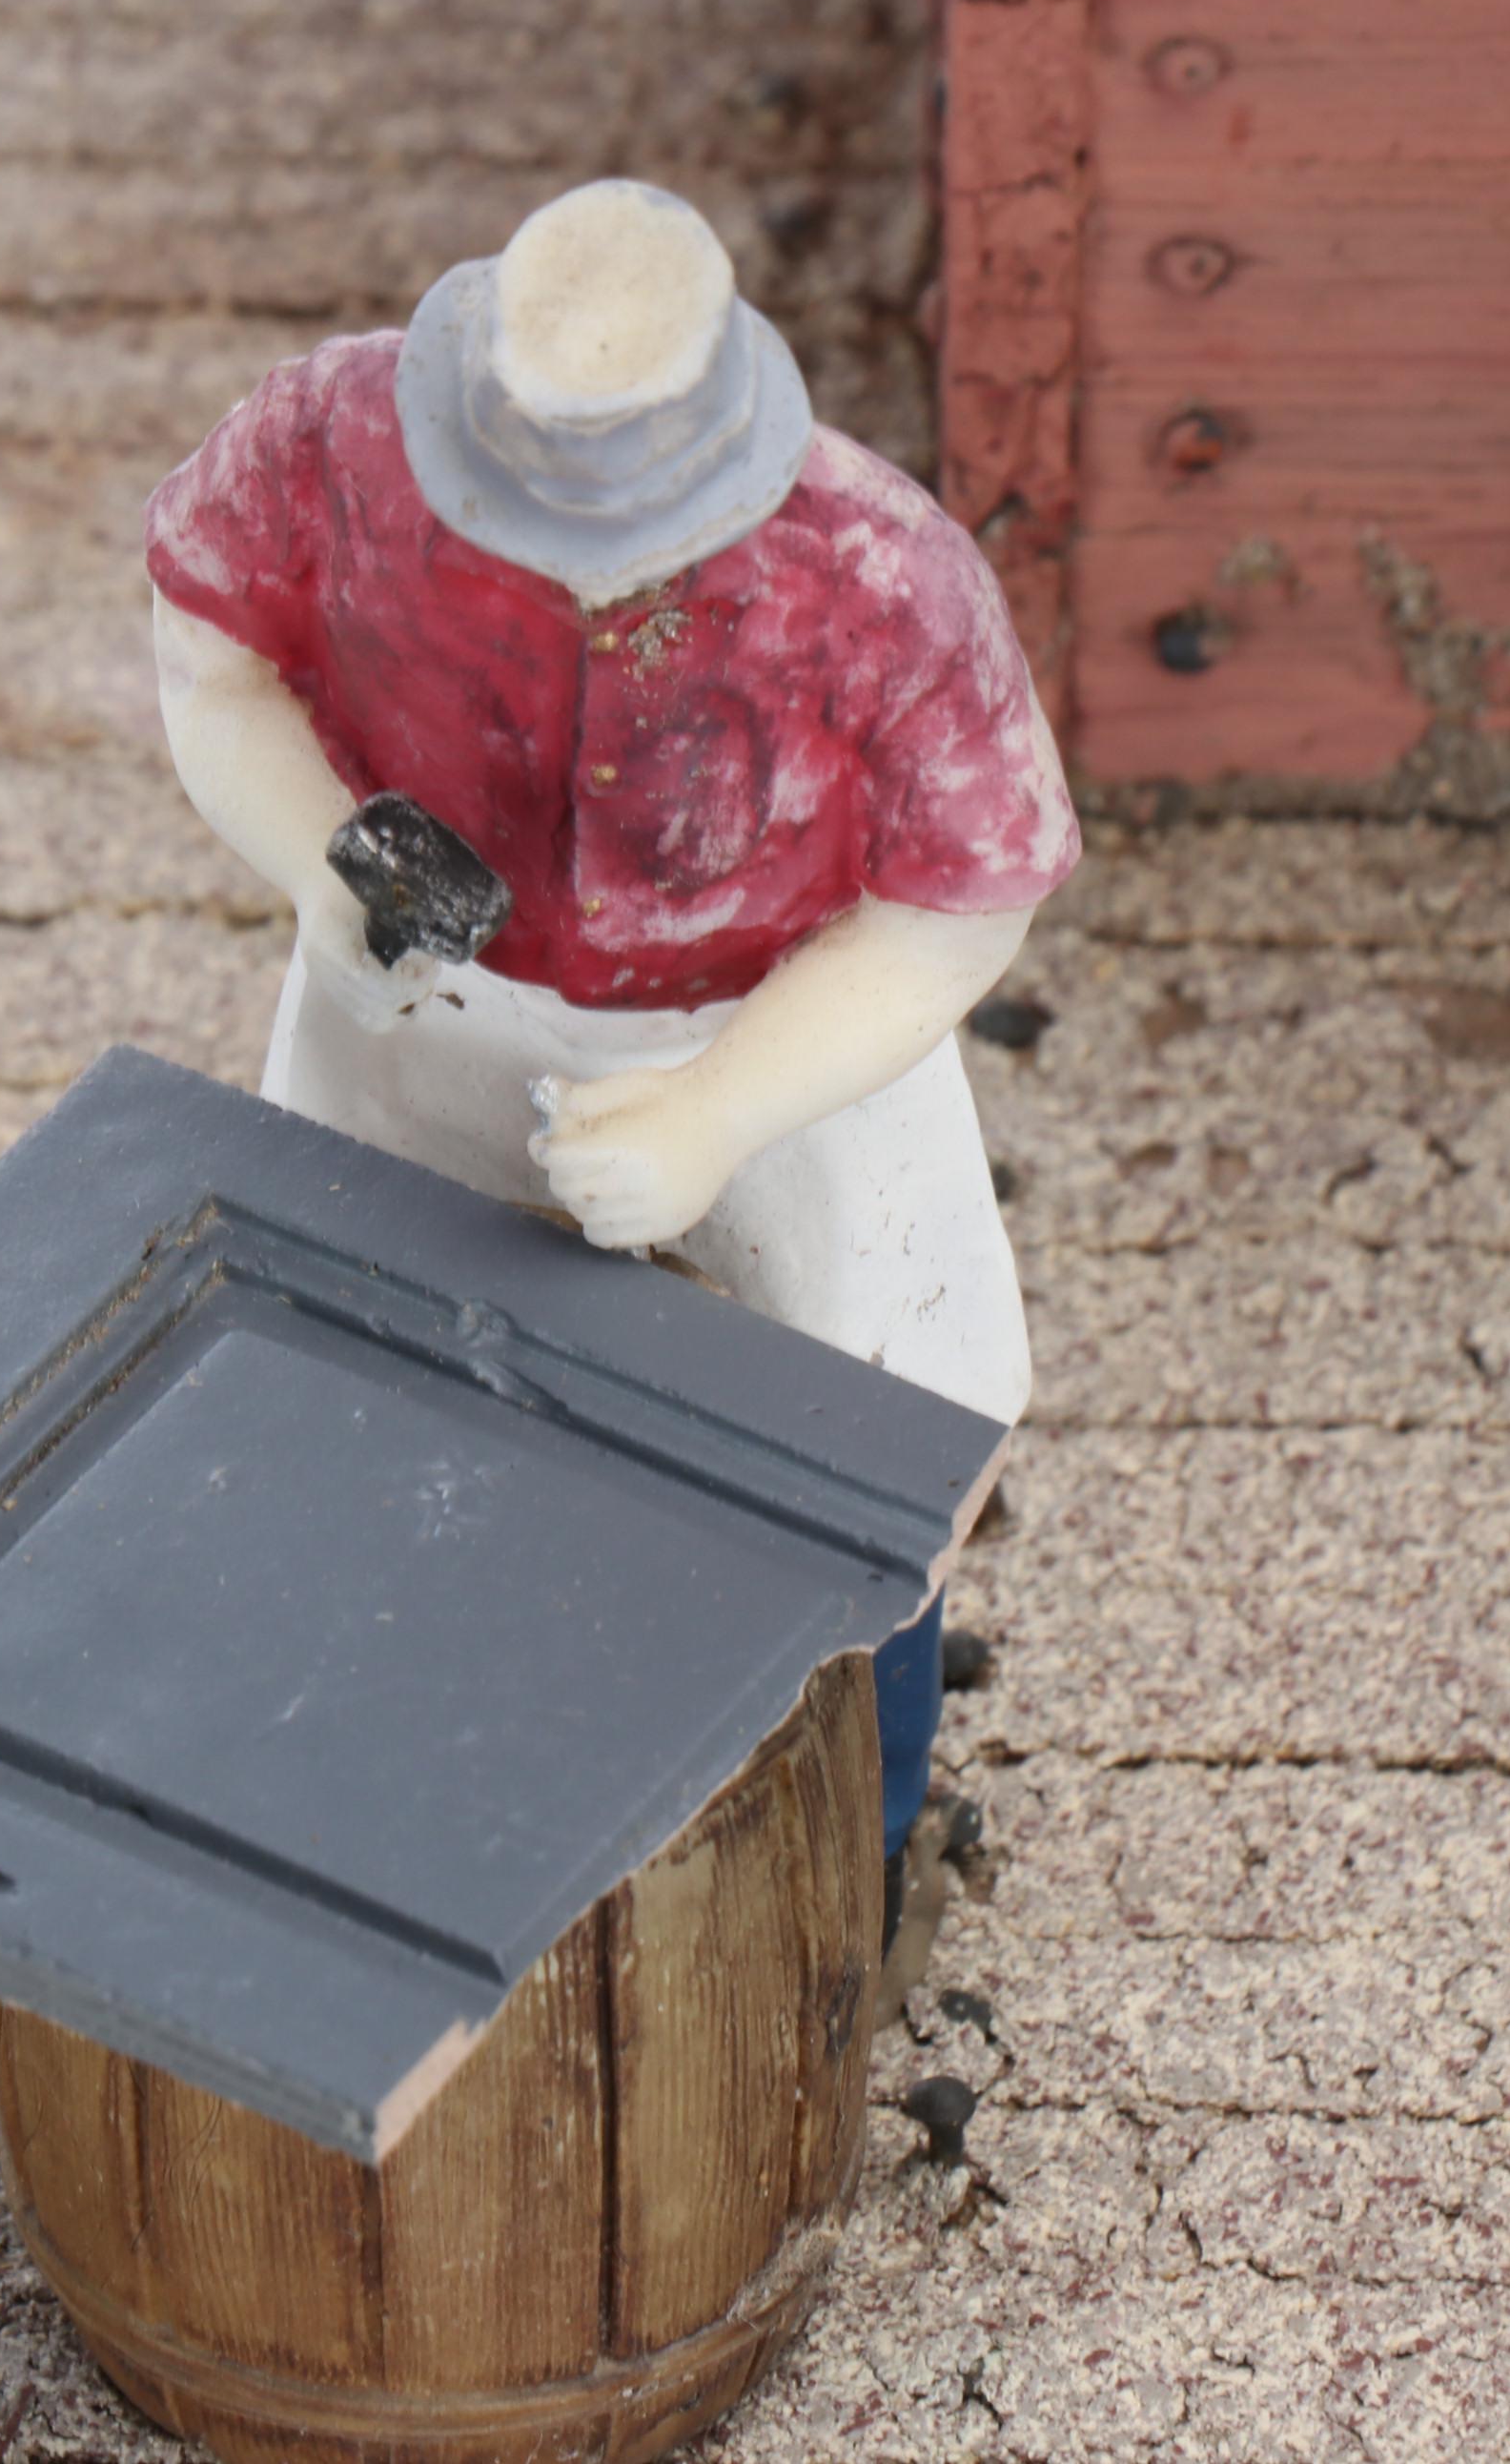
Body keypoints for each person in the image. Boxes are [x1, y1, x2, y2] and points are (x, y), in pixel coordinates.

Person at [144, 178, 1077, 1874]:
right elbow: (210, 655)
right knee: (327, 1349)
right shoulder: (326, 439)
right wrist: (326, 868)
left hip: (777, 1023)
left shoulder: (883, 576)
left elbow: (962, 901)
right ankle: (361, 1757)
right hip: (428, 980)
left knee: (883, 1400)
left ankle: (850, 1829)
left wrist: (721, 1110)